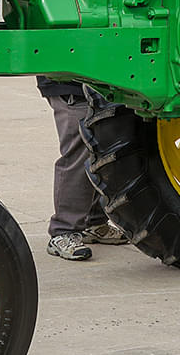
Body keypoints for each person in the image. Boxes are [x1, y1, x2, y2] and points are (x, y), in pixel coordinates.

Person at [37, 78, 128, 260]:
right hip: (70, 82)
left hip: (98, 81)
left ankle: (94, 222)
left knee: (101, 152)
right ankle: (63, 232)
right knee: (78, 155)